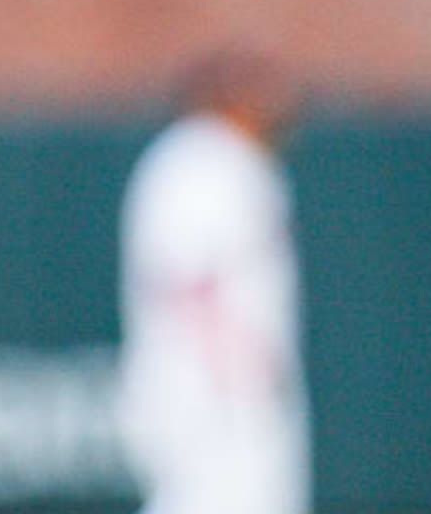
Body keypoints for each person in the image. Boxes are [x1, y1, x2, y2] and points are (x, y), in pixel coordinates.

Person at [120, 51, 308, 514]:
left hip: (215, 392)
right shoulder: (206, 158)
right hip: (214, 396)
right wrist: (235, 380)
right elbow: (194, 285)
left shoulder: (218, 160)